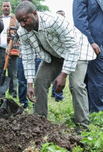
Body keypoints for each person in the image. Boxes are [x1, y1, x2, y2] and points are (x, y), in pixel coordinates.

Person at [15, 1, 95, 133]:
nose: (23, 24)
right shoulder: (23, 31)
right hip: (54, 55)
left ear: (35, 13)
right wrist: (29, 84)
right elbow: (28, 57)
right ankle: (39, 121)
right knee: (39, 81)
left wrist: (63, 75)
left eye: (24, 20)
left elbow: (72, 47)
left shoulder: (54, 21)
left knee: (76, 85)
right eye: (20, 21)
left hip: (77, 52)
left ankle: (82, 127)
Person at [73, 0, 103, 113]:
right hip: (92, 43)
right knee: (96, 80)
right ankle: (97, 112)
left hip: (100, 42)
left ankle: (91, 111)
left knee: (95, 79)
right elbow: (79, 20)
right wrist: (90, 41)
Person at [0, 0, 19, 101]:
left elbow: (19, 34)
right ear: (1, 8)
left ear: (10, 8)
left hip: (12, 51)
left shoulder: (16, 20)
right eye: (4, 6)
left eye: (7, 6)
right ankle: (1, 94)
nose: (6, 8)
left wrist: (11, 45)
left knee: (13, 74)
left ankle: (13, 94)